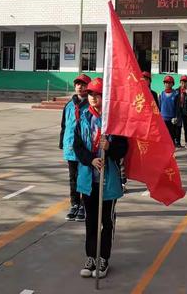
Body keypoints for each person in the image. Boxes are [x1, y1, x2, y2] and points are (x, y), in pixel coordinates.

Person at [73, 78, 128, 279]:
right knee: (90, 221)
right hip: (88, 180)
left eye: (97, 95)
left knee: (106, 221)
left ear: (105, 98)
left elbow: (123, 149)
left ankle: (103, 258)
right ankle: (91, 257)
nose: (93, 98)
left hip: (108, 181)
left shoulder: (114, 122)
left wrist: (109, 148)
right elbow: (77, 147)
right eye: (90, 94)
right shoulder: (83, 118)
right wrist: (91, 160)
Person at [59, 73, 91, 222]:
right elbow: (64, 125)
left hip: (85, 148)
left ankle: (85, 206)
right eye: (78, 84)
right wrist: (62, 143)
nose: (80, 87)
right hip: (71, 147)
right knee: (73, 178)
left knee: (84, 177)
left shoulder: (91, 105)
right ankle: (74, 204)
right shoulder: (69, 105)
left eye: (83, 84)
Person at [159, 75, 181, 147]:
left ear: (172, 84)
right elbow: (159, 106)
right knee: (164, 136)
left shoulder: (176, 94)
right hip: (163, 119)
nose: (167, 84)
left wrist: (176, 117)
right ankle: (165, 151)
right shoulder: (161, 94)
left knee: (171, 136)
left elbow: (177, 107)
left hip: (172, 119)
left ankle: (172, 152)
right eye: (166, 82)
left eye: (169, 83)